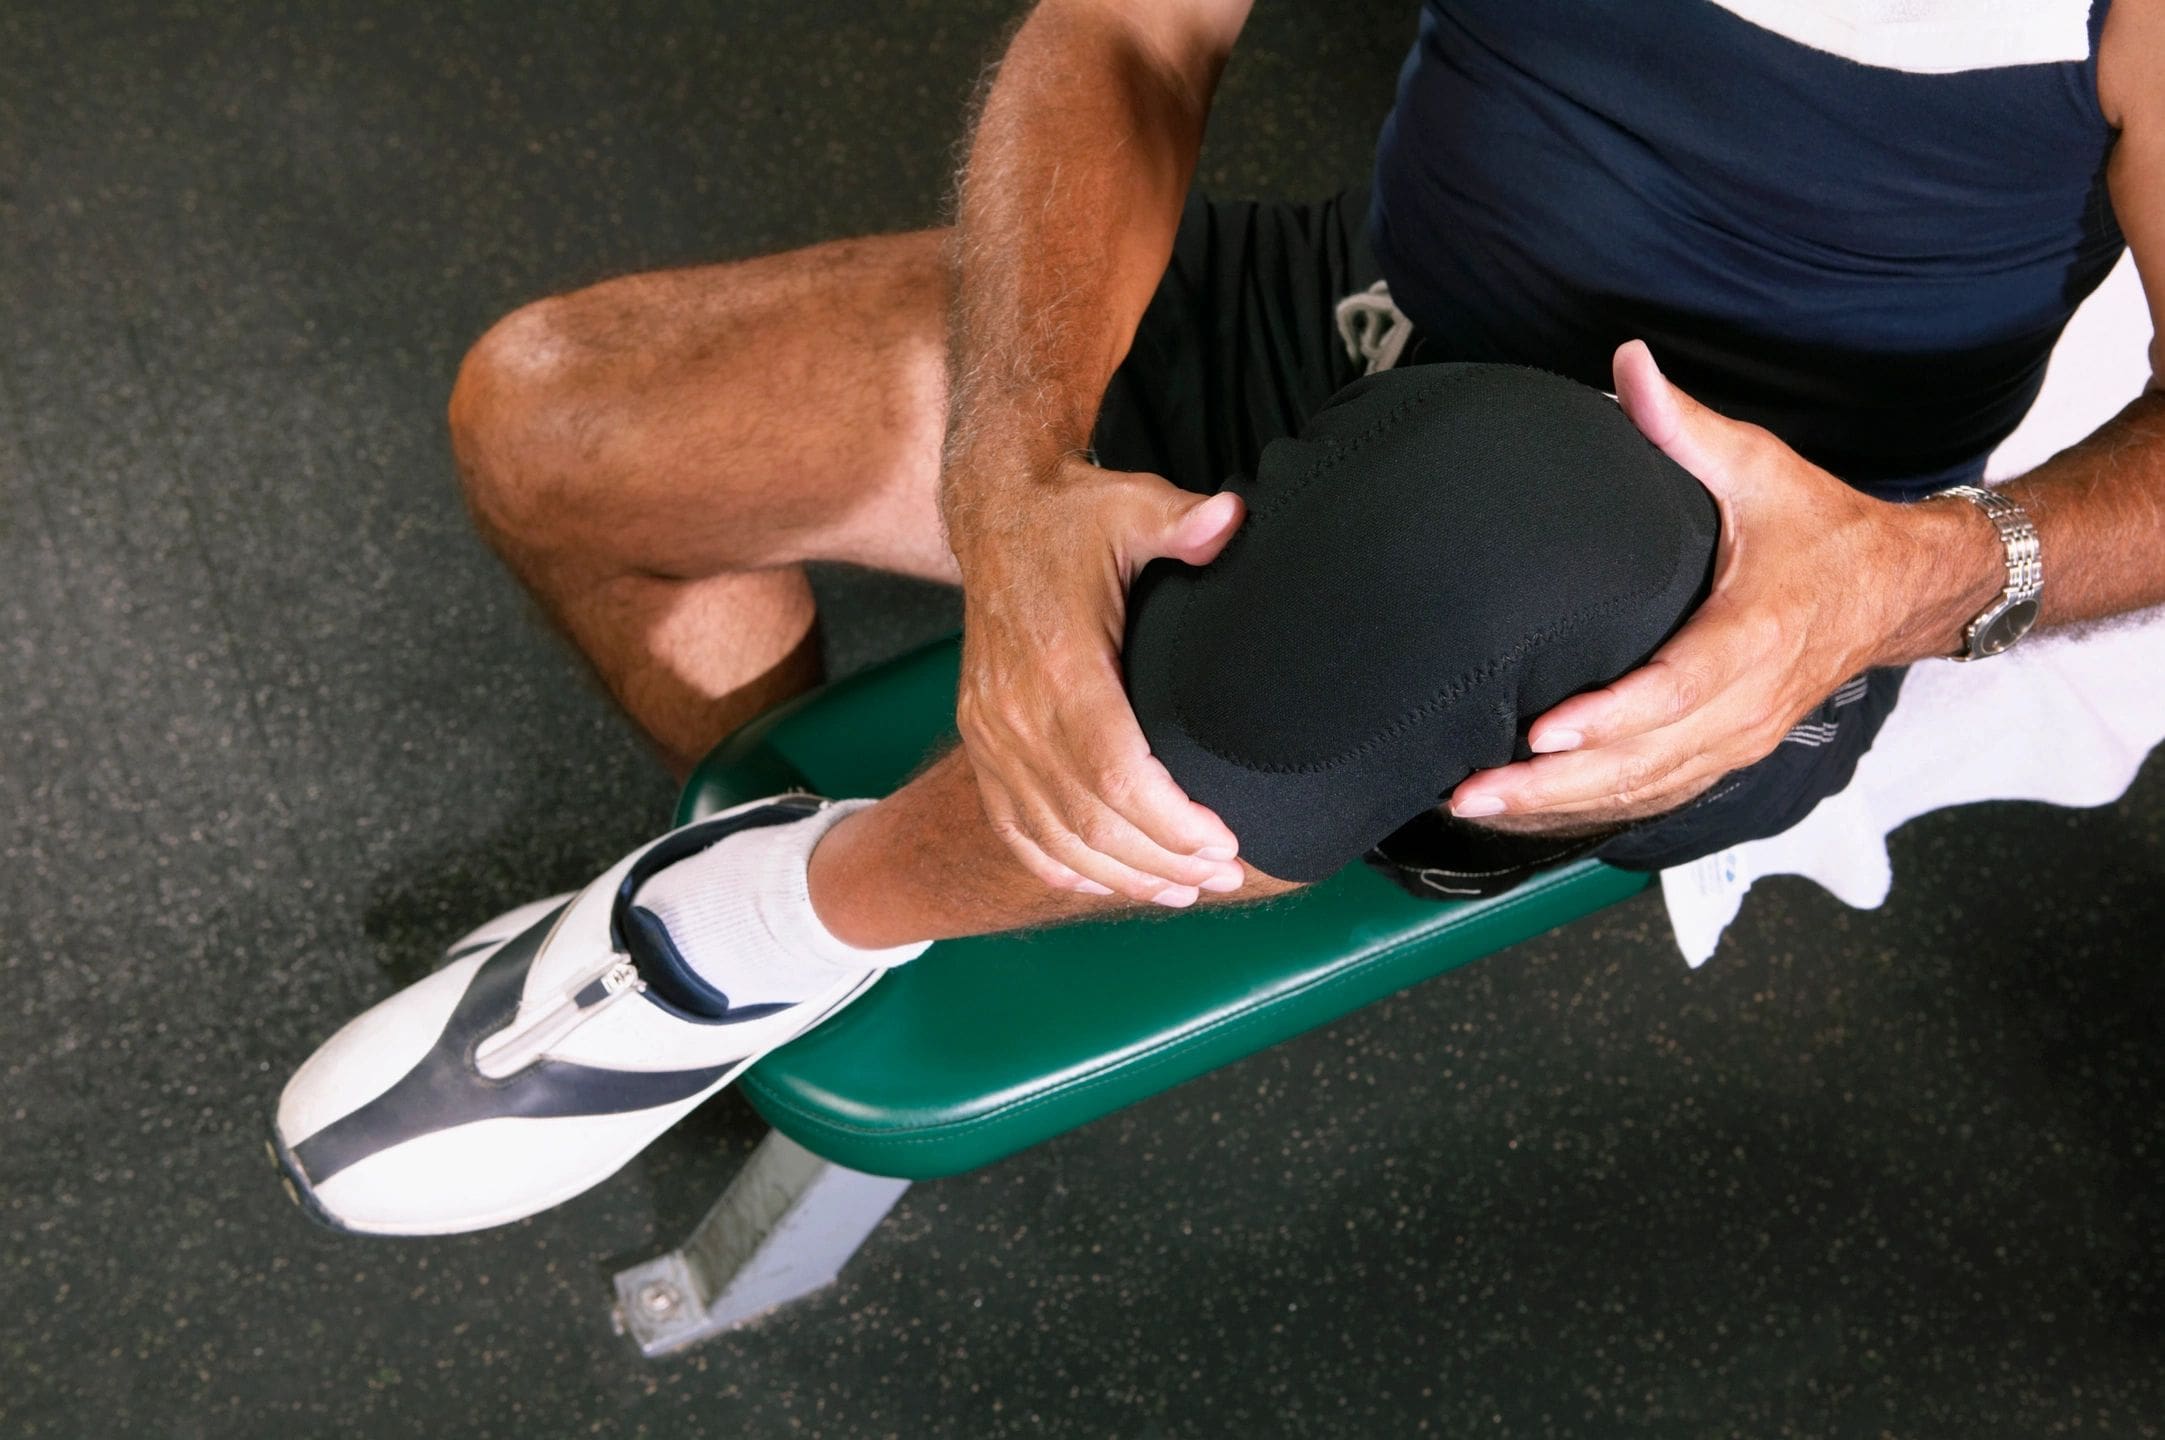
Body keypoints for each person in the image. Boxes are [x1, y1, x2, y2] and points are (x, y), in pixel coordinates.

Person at [270, 0, 2165, 1236]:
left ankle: (766, 925)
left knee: (1485, 513)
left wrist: (1913, 576)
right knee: (563, 416)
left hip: (1709, 573)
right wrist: (1009, 477)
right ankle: (940, 863)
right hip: (1346, 325)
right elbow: (1126, 30)